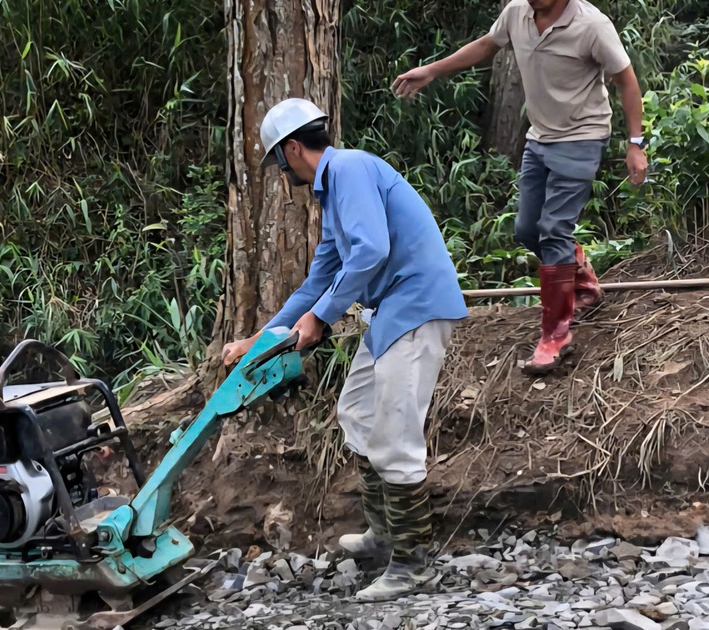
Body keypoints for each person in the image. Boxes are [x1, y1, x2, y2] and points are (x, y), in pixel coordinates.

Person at [220, 98, 469, 601]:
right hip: (390, 314)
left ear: (293, 149)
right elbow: (319, 281)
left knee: (396, 436)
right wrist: (262, 338)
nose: (281, 171)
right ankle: (384, 532)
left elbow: (372, 250)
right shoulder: (333, 193)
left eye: (278, 161)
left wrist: (322, 319)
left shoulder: (350, 169)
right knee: (356, 411)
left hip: (417, 305)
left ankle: (413, 563)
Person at [392, 0, 647, 375]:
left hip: (582, 137)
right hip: (540, 138)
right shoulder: (517, 13)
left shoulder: (592, 25)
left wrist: (635, 144)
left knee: (553, 230)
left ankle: (556, 335)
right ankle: (584, 283)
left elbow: (627, 80)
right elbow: (486, 44)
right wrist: (431, 70)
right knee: (528, 230)